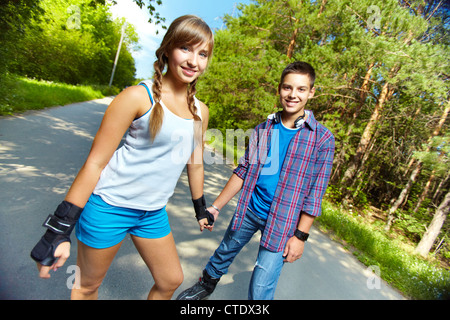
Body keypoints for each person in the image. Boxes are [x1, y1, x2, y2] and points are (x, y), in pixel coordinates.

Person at [30, 15, 215, 300]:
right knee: (86, 286)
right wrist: (59, 229)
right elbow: (95, 163)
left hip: (152, 213)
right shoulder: (137, 97)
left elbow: (195, 162)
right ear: (167, 49)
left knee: (170, 280)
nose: (194, 61)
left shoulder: (201, 111)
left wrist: (200, 207)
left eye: (202, 53)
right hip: (109, 207)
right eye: (186, 49)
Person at [177, 61, 335, 300]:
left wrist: (300, 236)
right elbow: (244, 171)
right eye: (287, 87)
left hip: (283, 221)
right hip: (251, 209)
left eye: (301, 89)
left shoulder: (322, 139)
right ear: (279, 89)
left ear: (311, 92)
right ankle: (205, 286)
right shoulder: (264, 129)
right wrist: (215, 207)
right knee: (225, 250)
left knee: (261, 288)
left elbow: (315, 194)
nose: (293, 95)